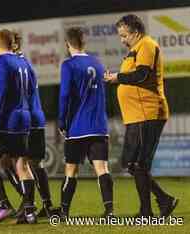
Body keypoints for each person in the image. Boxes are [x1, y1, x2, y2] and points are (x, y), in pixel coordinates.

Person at [104, 14, 178, 217]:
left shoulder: (146, 45)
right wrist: (117, 78)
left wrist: (117, 77)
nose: (122, 40)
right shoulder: (134, 50)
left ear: (135, 32)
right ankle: (164, 200)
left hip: (148, 112)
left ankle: (147, 211)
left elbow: (142, 75)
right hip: (136, 116)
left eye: (124, 35)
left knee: (139, 164)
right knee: (130, 163)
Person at [0, 29, 37, 224]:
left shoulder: (1, 62)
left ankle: (3, 204)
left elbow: (0, 92)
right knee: (21, 165)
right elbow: (31, 88)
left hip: (7, 121)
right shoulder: (23, 61)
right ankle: (29, 212)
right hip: (24, 117)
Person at [58, 27, 114, 218]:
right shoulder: (97, 63)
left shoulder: (68, 65)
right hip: (98, 126)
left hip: (78, 127)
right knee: (102, 169)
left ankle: (64, 212)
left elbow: (65, 95)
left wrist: (62, 121)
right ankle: (109, 211)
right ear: (84, 43)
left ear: (68, 43)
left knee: (71, 170)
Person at [9, 31, 54, 218]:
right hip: (37, 117)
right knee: (35, 162)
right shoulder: (27, 64)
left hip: (24, 119)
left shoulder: (12, 66)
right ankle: (47, 205)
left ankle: (28, 205)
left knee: (13, 162)